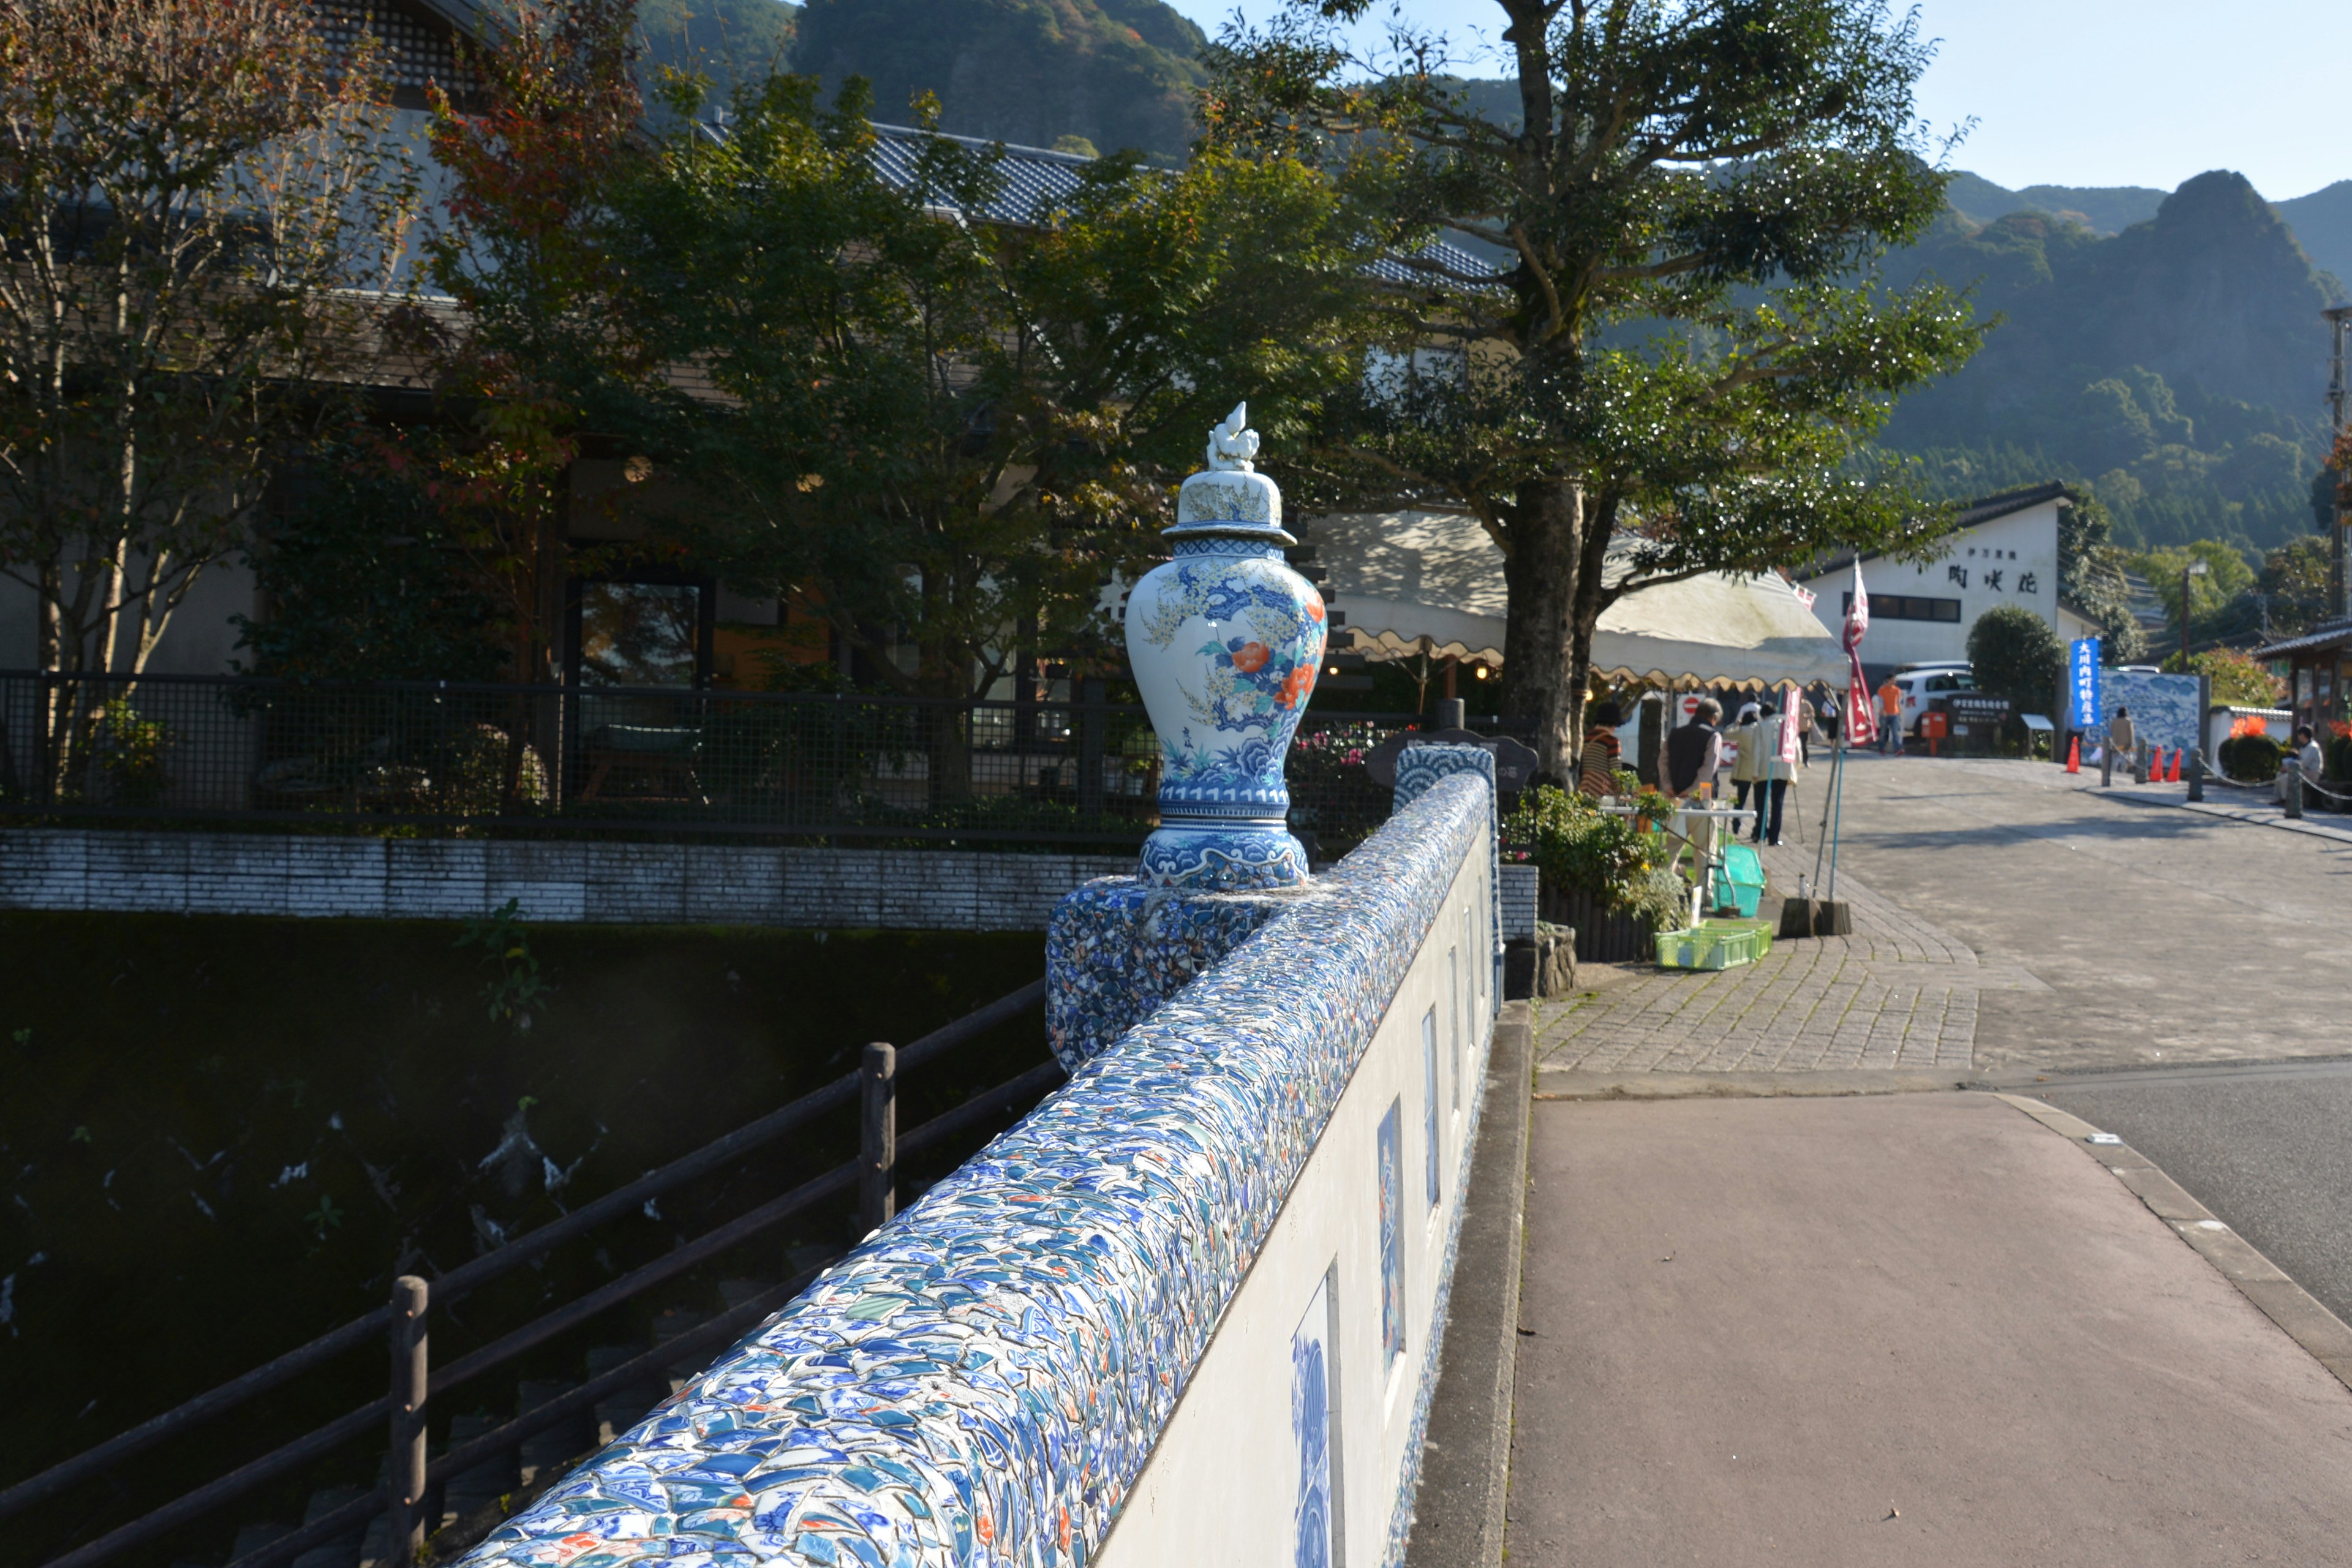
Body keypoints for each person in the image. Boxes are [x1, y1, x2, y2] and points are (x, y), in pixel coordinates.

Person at [1746, 703, 1795, 845]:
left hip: (1763, 770)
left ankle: (1761, 834)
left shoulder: (1761, 727)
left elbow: (1757, 751)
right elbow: (1793, 748)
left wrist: (1755, 772)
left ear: (1764, 715)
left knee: (1761, 804)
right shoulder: (1786, 726)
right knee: (1777, 804)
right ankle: (1774, 837)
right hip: (1782, 770)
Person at [1579, 699, 1624, 797]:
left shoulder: (1586, 738)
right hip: (1603, 790)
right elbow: (1615, 770)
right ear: (1614, 723)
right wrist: (1621, 792)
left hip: (1585, 788)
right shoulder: (1612, 741)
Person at [2279, 724, 2323, 804]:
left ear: (2303, 735)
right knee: (2279, 775)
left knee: (2286, 777)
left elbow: (2304, 764)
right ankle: (2280, 797)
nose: (2298, 737)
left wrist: (2287, 769)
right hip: (2303, 772)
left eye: (2299, 735)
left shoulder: (2313, 747)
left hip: (2311, 774)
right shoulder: (2304, 747)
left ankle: (2286, 800)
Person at [1877, 674, 1903, 755]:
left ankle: (1897, 750)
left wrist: (1899, 713)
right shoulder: (1882, 689)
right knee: (1883, 733)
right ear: (1888, 680)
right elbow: (1881, 701)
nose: (1895, 682)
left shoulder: (1897, 690)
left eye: (1895, 680)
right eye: (1893, 680)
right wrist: (1883, 710)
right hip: (1885, 715)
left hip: (1895, 714)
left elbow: (1898, 702)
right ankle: (1881, 749)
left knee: (1895, 733)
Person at [2108, 706, 2136, 775]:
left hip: (2116, 743)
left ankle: (2113, 771)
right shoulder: (2128, 722)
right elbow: (2131, 733)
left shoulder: (2114, 721)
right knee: (2124, 758)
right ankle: (2123, 772)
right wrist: (2131, 743)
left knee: (2115, 758)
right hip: (2125, 743)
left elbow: (2111, 731)